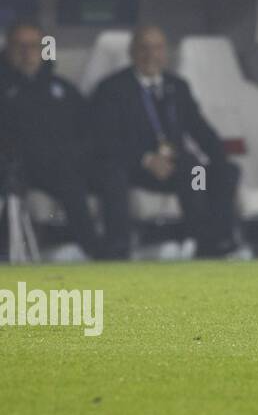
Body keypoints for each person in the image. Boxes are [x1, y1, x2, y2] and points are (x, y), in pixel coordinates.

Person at [93, 25, 243, 259]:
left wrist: (220, 159)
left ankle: (212, 242)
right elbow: (104, 139)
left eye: (158, 48)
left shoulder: (177, 87)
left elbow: (199, 129)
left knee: (214, 172)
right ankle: (118, 250)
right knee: (114, 173)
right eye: (144, 48)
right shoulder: (112, 89)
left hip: (178, 169)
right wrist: (146, 159)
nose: (151, 55)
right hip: (134, 168)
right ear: (132, 52)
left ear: (165, 53)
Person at [0, 22, 100, 259]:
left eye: (33, 45)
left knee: (98, 171)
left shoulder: (63, 89)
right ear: (7, 50)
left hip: (62, 167)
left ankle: (99, 253)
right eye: (19, 46)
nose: (27, 52)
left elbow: (91, 131)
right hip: (13, 166)